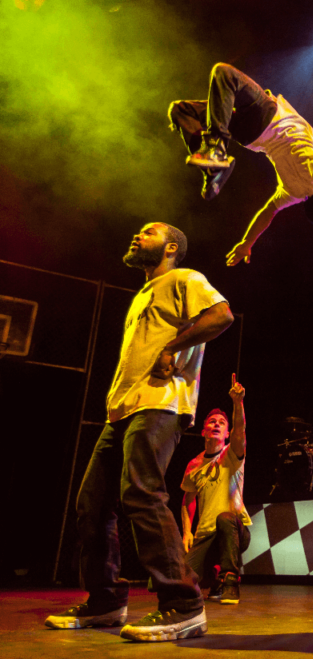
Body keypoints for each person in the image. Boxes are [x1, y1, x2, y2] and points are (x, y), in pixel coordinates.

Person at [45, 222, 234, 642]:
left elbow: (222, 315)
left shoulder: (184, 278)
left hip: (160, 403)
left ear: (170, 247)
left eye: (148, 232)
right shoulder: (142, 295)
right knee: (91, 504)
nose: (136, 234)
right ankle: (106, 601)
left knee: (142, 493)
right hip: (123, 409)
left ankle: (183, 604)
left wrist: (171, 348)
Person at [168, 63, 313, 265]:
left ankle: (214, 152)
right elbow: (268, 213)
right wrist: (247, 243)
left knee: (224, 73)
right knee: (182, 110)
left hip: (268, 116)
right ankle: (211, 166)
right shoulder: (293, 194)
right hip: (250, 138)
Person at [181, 375, 251, 605]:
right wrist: (187, 532)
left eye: (222, 422)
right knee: (179, 584)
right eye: (212, 422)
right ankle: (213, 576)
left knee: (225, 518)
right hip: (205, 536)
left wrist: (237, 402)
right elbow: (187, 498)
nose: (217, 424)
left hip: (234, 530)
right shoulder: (193, 464)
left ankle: (230, 578)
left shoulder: (232, 454)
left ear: (227, 434)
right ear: (203, 431)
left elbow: (240, 428)